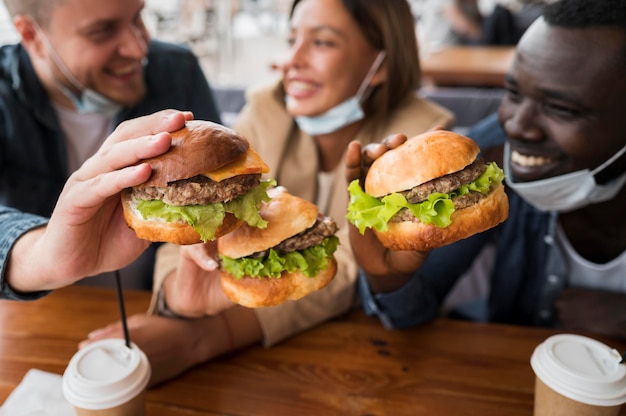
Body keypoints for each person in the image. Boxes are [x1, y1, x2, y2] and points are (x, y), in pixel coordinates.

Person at [83, 0, 455, 385]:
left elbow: (346, 269)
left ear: (383, 65)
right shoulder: (264, 110)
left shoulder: (421, 147)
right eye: (292, 38)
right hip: (252, 368)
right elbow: (190, 230)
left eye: (322, 43)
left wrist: (203, 339)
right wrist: (175, 305)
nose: (290, 60)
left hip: (368, 360)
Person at [347, 0, 626, 340]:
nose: (516, 125)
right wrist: (387, 277)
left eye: (561, 108)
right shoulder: (487, 156)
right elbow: (412, 318)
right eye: (513, 92)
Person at [0, 0, 221, 289]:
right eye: (102, 31)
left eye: (138, 17)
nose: (139, 49)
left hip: (152, 304)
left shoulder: (180, 72)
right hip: (38, 319)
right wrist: (43, 257)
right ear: (31, 34)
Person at [0, 110, 192, 299]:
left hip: (150, 306)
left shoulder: (179, 81)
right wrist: (39, 258)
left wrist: (173, 309)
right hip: (31, 316)